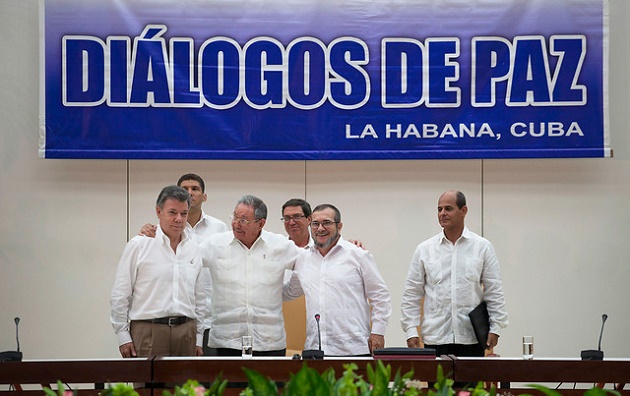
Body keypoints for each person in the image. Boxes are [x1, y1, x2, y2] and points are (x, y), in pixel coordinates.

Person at [400, 190, 508, 358]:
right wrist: (411, 330)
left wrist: (496, 327)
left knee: (471, 385)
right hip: (435, 338)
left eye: (448, 208)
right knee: (437, 386)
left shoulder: (482, 247)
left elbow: (494, 290)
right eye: (439, 209)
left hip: (471, 338)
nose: (442, 213)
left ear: (463, 211)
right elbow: (411, 294)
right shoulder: (425, 249)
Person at [283, 204, 392, 356]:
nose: (320, 228)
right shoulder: (302, 259)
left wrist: (378, 332)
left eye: (326, 223)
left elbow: (380, 295)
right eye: (315, 224)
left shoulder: (357, 255)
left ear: (339, 226)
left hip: (354, 349)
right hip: (315, 349)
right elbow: (290, 292)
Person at [110, 185, 205, 358]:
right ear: (158, 211)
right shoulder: (139, 245)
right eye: (172, 212)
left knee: (184, 386)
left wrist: (198, 337)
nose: (178, 219)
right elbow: (121, 293)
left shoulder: (194, 249)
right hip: (148, 330)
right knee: (147, 386)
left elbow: (200, 298)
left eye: (184, 213)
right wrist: (122, 335)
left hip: (186, 332)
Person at [200, 194, 300, 357]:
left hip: (269, 342)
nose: (235, 224)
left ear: (260, 223)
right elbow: (185, 260)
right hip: (227, 341)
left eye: (243, 220)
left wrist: (285, 293)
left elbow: (309, 264)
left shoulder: (279, 245)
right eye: (235, 217)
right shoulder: (215, 244)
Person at [139, 173, 228, 356]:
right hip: (178, 319)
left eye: (195, 189)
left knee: (207, 381)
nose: (189, 193)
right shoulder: (161, 229)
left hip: (213, 319)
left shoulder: (219, 229)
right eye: (184, 189)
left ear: (204, 196)